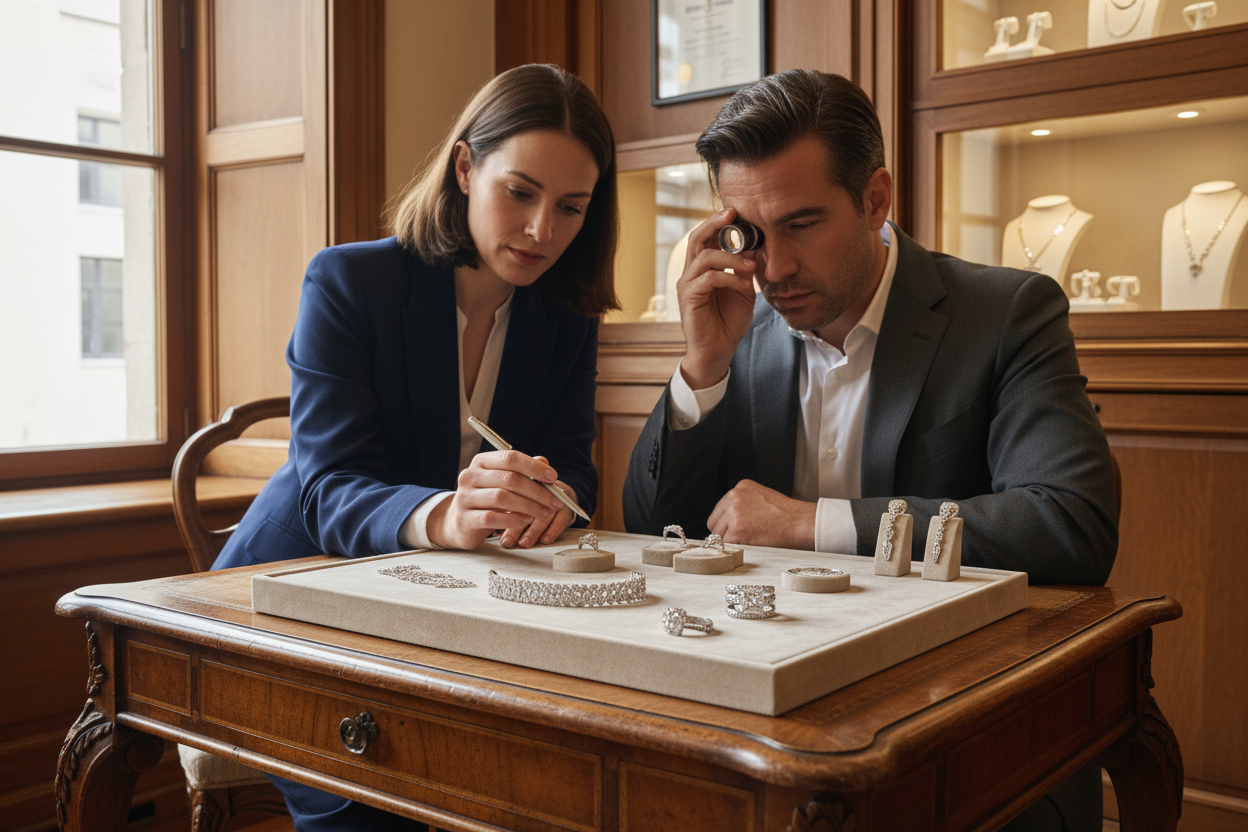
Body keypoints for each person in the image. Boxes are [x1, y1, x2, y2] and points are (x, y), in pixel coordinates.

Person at [622, 69, 1115, 831]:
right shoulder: (737, 326)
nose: (774, 268)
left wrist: (813, 524)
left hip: (967, 733)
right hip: (769, 730)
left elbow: (1068, 525)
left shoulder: (1008, 312)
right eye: (748, 232)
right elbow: (658, 530)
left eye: (802, 224)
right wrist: (702, 372)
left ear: (877, 199)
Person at [211, 63, 619, 831]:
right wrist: (448, 515)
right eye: (520, 193)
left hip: (438, 612)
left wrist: (544, 497)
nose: (542, 232)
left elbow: (576, 472)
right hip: (287, 599)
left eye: (571, 208)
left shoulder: (564, 319)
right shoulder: (348, 282)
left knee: (542, 776)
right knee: (376, 806)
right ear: (466, 168)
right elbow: (328, 487)